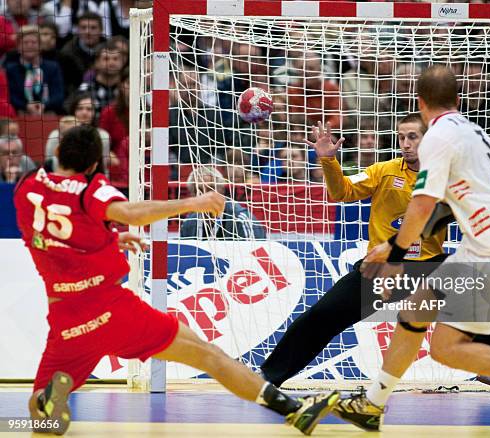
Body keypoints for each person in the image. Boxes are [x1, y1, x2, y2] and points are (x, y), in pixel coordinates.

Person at [13, 125, 338, 436]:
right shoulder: (91, 189)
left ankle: (48, 409)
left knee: (42, 418)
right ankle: (294, 409)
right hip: (112, 310)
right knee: (208, 354)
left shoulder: (28, 188)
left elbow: (58, 236)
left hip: (68, 321)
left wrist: (110, 240)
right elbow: (130, 212)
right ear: (96, 164)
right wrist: (192, 203)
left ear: (57, 151)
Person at [333, 65, 490, 437]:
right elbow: (445, 205)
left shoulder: (439, 136)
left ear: (420, 102)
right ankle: (373, 403)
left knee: (445, 348)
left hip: (489, 250)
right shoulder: (474, 131)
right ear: (458, 100)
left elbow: (423, 203)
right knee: (418, 313)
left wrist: (395, 256)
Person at [260, 115, 490, 395]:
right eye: (401, 137)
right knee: (322, 316)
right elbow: (342, 192)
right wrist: (328, 161)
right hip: (382, 267)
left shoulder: (447, 179)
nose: (406, 144)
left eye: (413, 137)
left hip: (428, 267)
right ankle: (267, 377)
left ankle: (489, 367)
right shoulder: (383, 170)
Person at [180, 166, 267, 240]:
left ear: (221, 190)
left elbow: (257, 257)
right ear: (192, 194)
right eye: (199, 191)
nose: (206, 196)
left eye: (211, 189)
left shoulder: (241, 219)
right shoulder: (188, 223)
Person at [4, 25, 64, 115]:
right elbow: (10, 96)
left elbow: (58, 95)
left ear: (40, 46)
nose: (30, 46)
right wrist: (26, 106)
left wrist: (44, 105)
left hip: (48, 111)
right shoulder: (10, 69)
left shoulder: (53, 67)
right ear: (18, 47)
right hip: (19, 112)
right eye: (25, 43)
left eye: (34, 42)